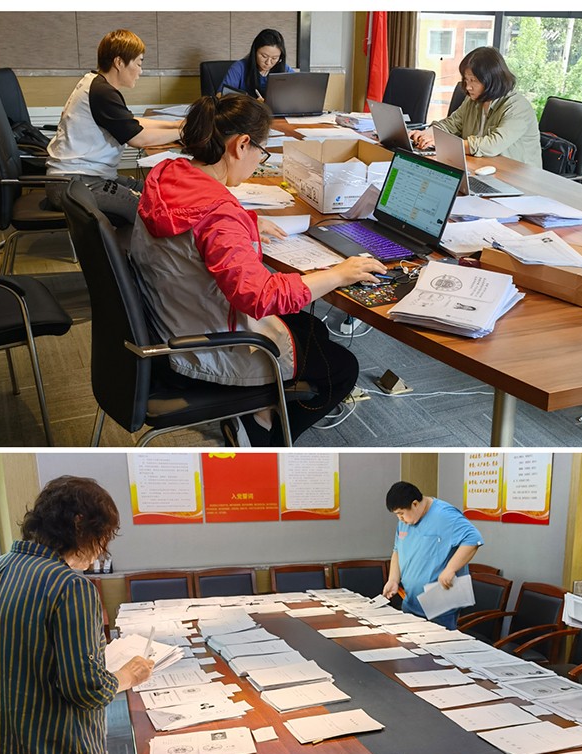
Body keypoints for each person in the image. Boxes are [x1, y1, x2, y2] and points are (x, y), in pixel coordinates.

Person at [129, 93, 387, 446]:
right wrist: (339, 274)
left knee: (313, 329)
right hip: (204, 349)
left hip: (170, 320)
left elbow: (192, 234)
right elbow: (261, 297)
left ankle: (261, 410)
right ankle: (265, 437)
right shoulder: (218, 215)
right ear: (241, 144)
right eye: (261, 153)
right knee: (342, 369)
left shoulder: (168, 174)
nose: (258, 161)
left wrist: (246, 221)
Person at [0, 476, 154, 754]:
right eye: (102, 537)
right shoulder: (70, 587)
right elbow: (86, 688)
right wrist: (127, 675)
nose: (101, 551)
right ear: (80, 524)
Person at [45, 29, 183, 223]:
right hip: (75, 185)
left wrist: (175, 125)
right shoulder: (102, 92)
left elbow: (131, 123)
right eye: (138, 63)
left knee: (150, 189)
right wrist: (181, 132)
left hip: (81, 178)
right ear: (119, 62)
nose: (140, 71)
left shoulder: (95, 83)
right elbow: (137, 138)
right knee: (150, 210)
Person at [410, 46, 541, 168]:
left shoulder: (517, 107)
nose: (468, 87)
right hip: (482, 167)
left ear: (492, 79)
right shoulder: (473, 100)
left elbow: (492, 145)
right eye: (466, 80)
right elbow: (451, 124)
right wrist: (427, 134)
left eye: (473, 80)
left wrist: (443, 143)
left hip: (517, 176)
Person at [382, 481, 482, 629]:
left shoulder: (444, 515)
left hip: (439, 606)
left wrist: (450, 569)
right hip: (411, 602)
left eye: (401, 513)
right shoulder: (405, 521)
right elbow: (397, 550)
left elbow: (473, 539)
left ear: (415, 504)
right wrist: (393, 579)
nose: (400, 519)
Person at [218, 29, 295, 100]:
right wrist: (253, 103)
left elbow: (298, 92)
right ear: (255, 51)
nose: (268, 62)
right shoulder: (239, 68)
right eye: (264, 56)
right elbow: (220, 96)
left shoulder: (285, 70)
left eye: (274, 58)